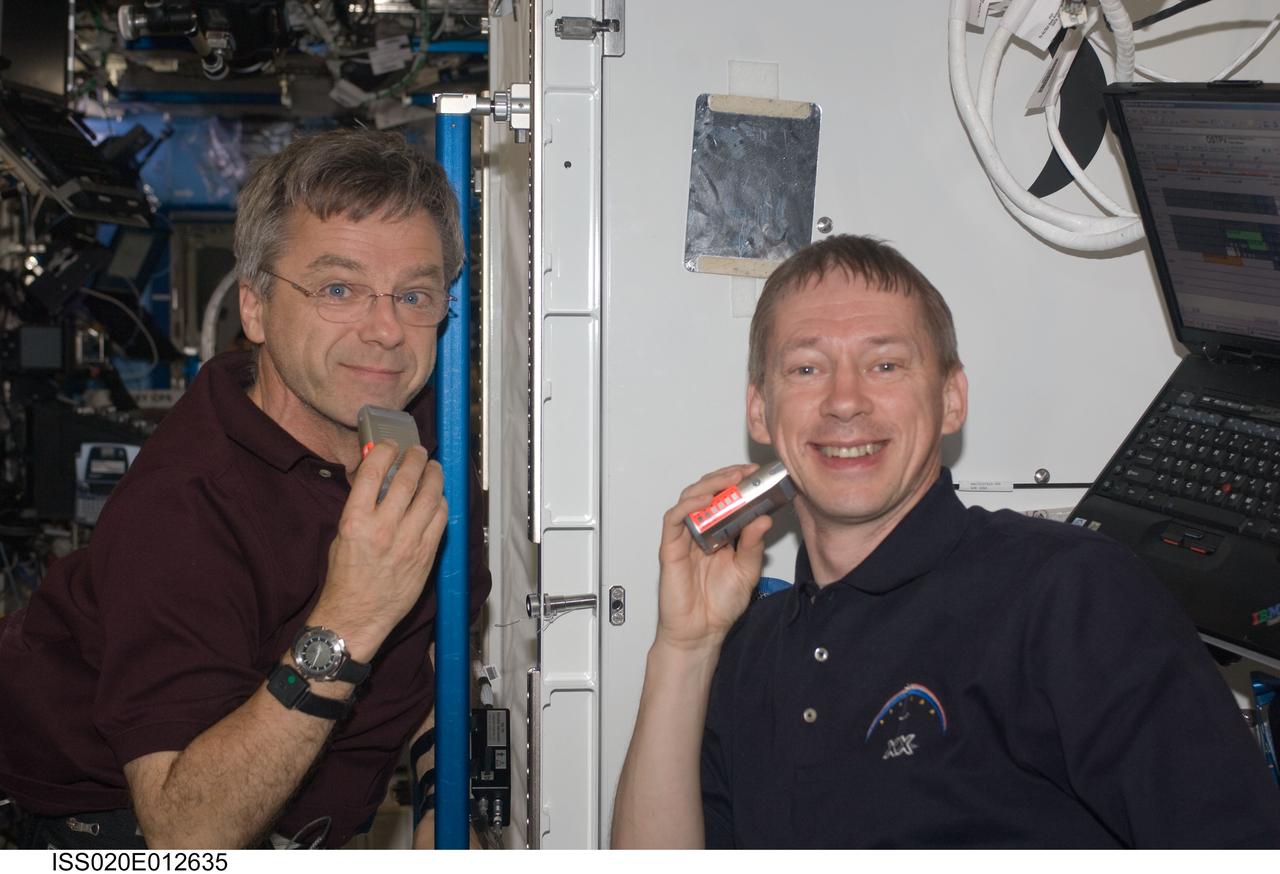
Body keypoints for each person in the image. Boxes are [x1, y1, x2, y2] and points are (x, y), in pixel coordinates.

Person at [611, 234, 1280, 849]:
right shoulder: (747, 645)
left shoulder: (1071, 595)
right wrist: (684, 647)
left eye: (885, 364)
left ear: (952, 398)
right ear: (760, 411)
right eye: (808, 369)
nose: (845, 401)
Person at [0, 129, 490, 849]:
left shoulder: (420, 442)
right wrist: (351, 616)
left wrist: (439, 804)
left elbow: (426, 654)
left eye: (414, 294)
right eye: (338, 289)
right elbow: (186, 835)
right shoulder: (185, 503)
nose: (387, 330)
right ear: (255, 307)